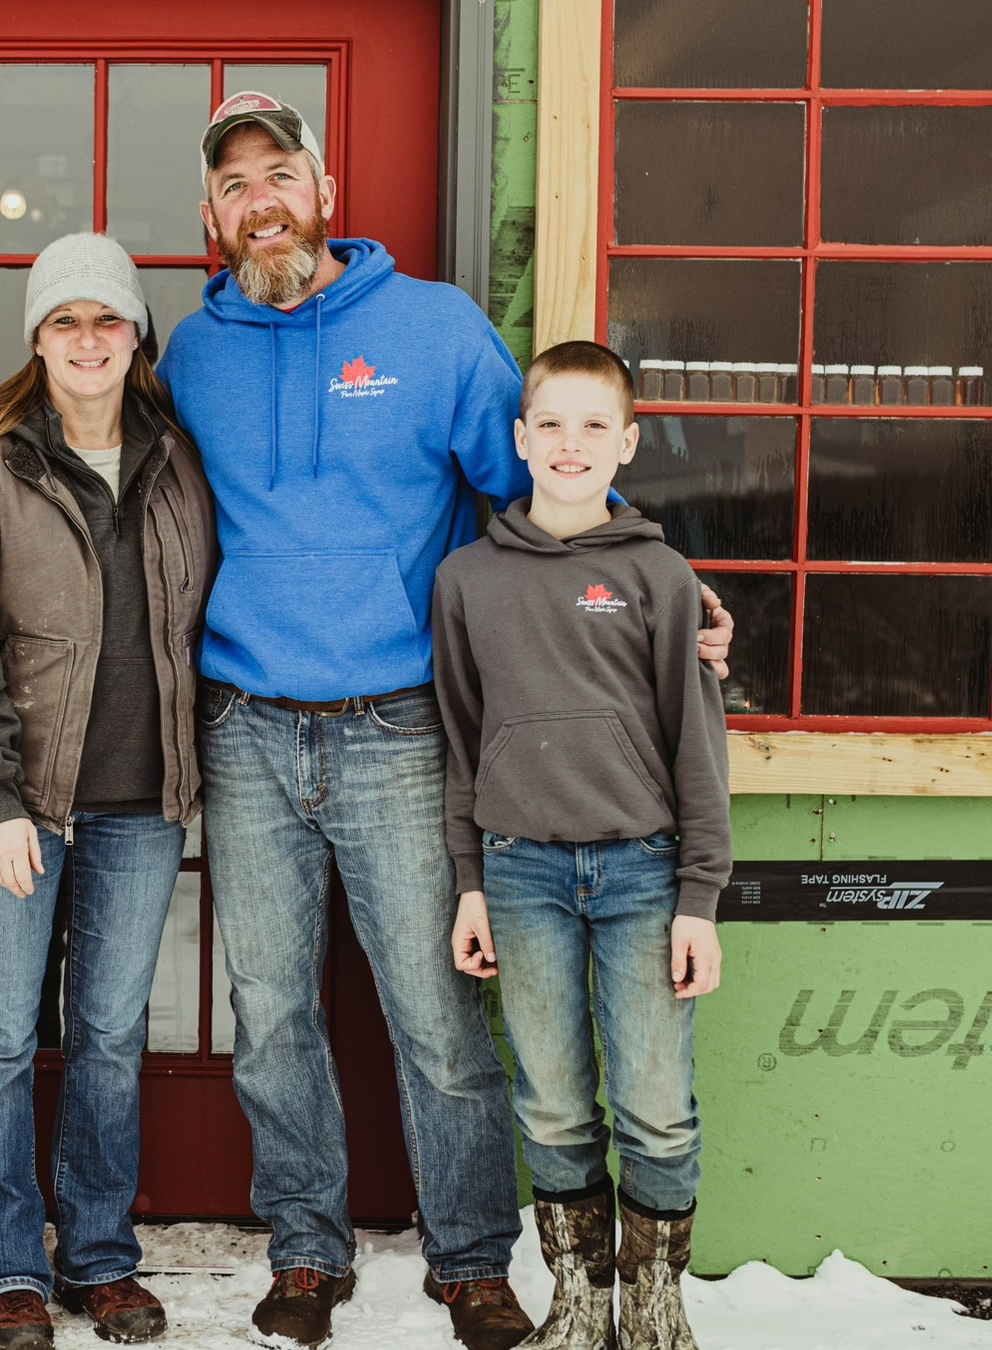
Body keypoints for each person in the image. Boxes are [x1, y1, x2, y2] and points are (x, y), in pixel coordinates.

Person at [154, 92, 734, 1350]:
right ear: (211, 217)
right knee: (271, 1010)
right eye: (235, 185)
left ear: (323, 191)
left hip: (400, 725)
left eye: (279, 173)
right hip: (247, 724)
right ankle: (305, 1249)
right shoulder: (189, 357)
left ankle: (470, 1257)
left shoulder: (434, 330)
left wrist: (666, 594)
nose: (261, 200)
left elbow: (549, 490)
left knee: (434, 1012)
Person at [0, 232, 216, 1350]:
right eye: (63, 322)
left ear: (135, 335)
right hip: (18, 799)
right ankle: (3, 1270)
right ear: (35, 341)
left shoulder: (179, 459)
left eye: (106, 320)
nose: (86, 341)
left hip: (142, 799)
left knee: (106, 1033)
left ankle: (98, 1255)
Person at [436, 340, 727, 1350]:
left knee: (654, 1104)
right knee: (553, 1103)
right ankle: (576, 1301)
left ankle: (651, 1309)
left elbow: (698, 746)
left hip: (643, 872)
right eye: (549, 423)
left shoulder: (659, 575)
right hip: (521, 872)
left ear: (629, 443)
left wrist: (700, 897)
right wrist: (470, 884)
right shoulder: (467, 579)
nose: (570, 444)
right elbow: (459, 744)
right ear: (519, 438)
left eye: (593, 425)